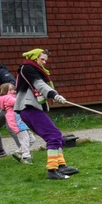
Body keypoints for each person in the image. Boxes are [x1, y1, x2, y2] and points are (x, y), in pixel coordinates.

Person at [13, 49, 78, 180]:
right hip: (28, 108)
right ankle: (52, 170)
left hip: (32, 109)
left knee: (57, 135)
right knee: (53, 136)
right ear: (34, 57)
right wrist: (54, 95)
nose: (44, 62)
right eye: (42, 59)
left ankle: (61, 166)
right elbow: (39, 85)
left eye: (45, 61)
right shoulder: (27, 68)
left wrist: (54, 95)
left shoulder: (34, 69)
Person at [0, 82, 32, 164]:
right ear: (4, 92)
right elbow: (17, 102)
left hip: (22, 121)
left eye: (14, 89)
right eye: (10, 90)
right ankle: (26, 157)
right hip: (17, 122)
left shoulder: (11, 97)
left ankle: (19, 152)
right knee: (25, 139)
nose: (13, 91)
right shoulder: (7, 98)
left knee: (31, 139)